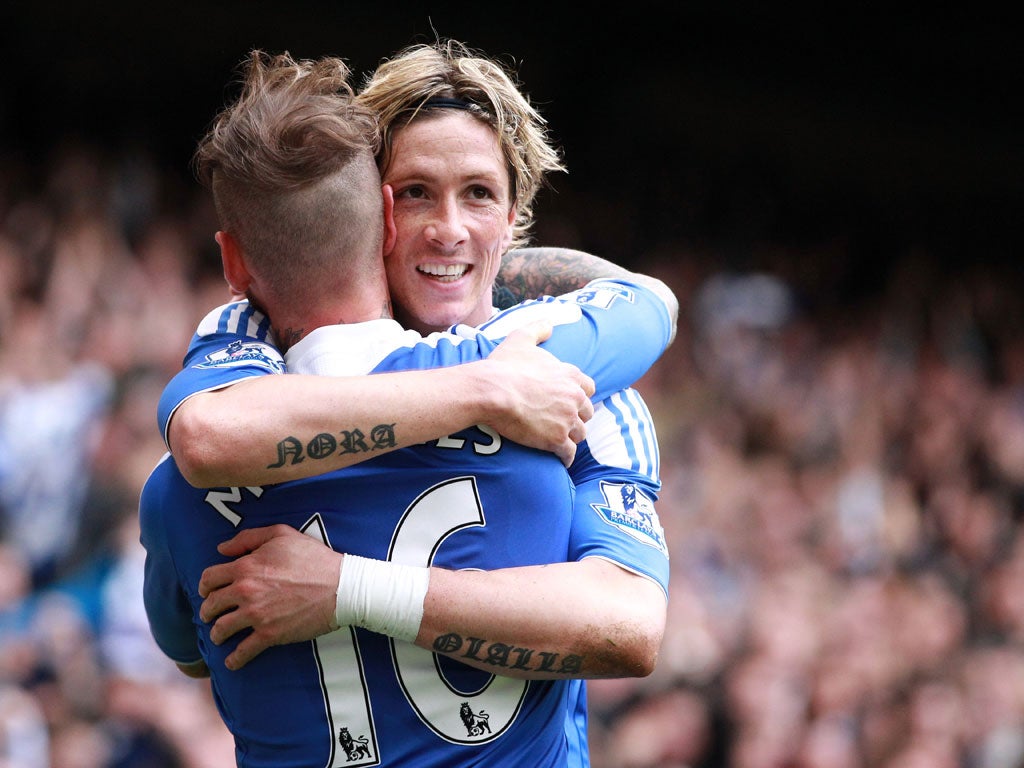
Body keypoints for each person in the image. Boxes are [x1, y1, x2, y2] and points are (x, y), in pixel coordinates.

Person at [140, 49, 675, 766]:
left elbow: (629, 629)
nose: (448, 229)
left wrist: (350, 589)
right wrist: (486, 386)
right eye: (418, 191)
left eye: (479, 195)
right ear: (380, 211)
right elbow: (208, 433)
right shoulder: (552, 377)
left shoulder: (586, 395)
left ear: (515, 216)